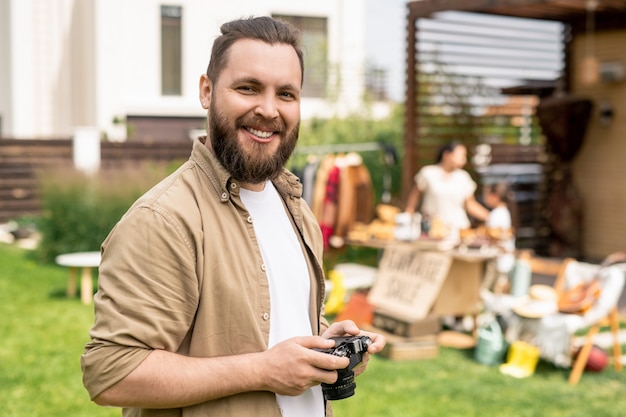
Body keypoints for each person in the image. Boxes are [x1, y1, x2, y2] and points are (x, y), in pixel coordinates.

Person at [80, 16, 386, 417]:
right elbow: (110, 372)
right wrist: (262, 370)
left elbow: (268, 328)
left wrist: (323, 345)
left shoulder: (296, 207)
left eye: (287, 94)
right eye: (248, 88)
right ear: (207, 91)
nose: (269, 110)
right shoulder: (164, 220)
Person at [404, 142, 489, 236]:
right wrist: (408, 216)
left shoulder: (463, 177)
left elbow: (470, 205)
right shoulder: (428, 173)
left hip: (458, 230)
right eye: (461, 156)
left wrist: (490, 217)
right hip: (433, 230)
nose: (464, 160)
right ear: (447, 155)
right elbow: (414, 197)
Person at [483, 181, 517, 292]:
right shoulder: (505, 212)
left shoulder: (496, 214)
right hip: (504, 259)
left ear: (495, 196)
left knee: (488, 288)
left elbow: (494, 236)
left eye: (486, 194)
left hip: (498, 258)